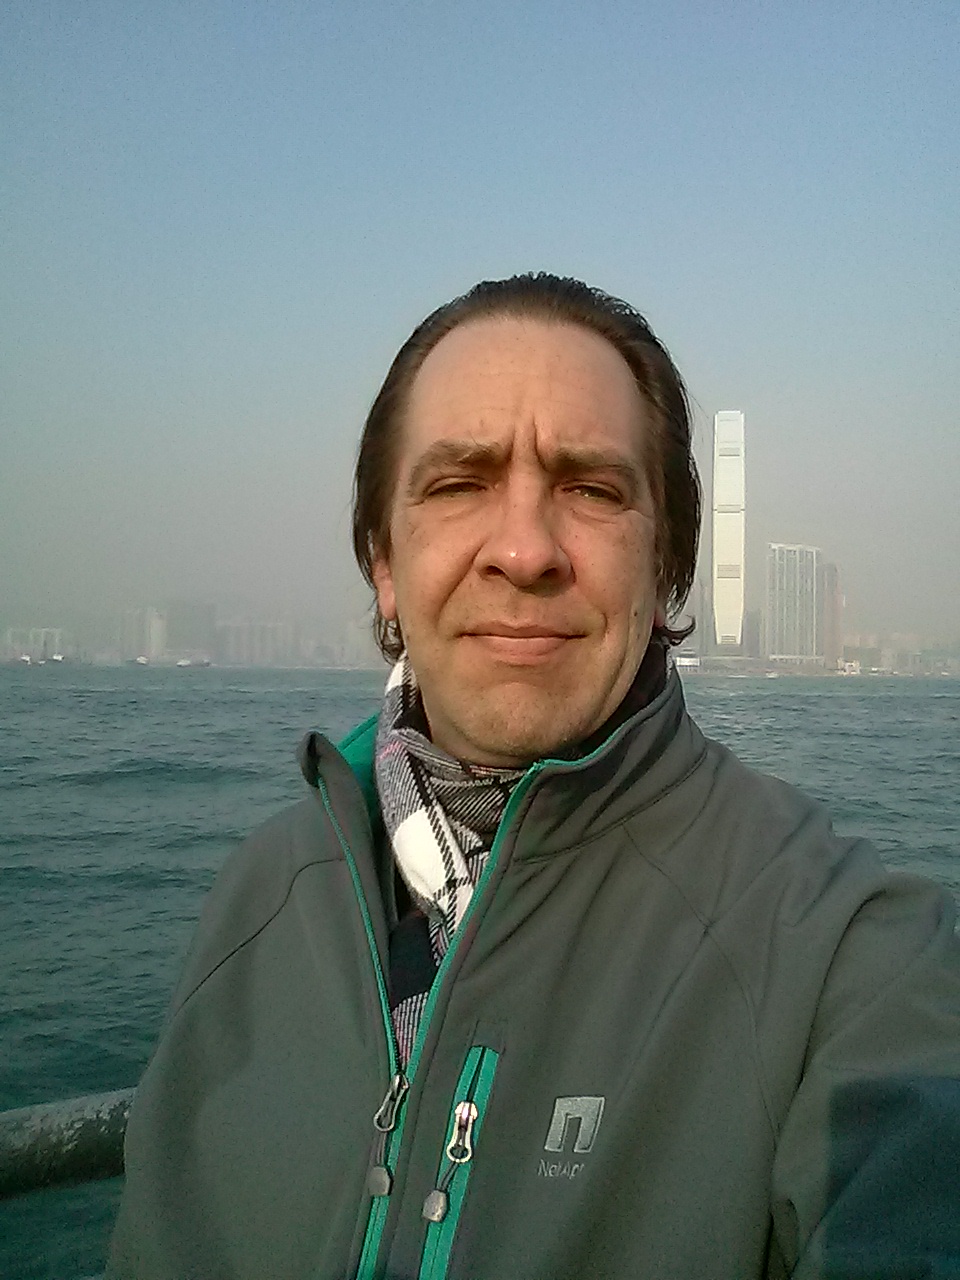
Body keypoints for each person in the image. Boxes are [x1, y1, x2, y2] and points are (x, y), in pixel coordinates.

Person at [107, 274, 960, 1280]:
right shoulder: (263, 894)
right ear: (384, 561)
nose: (523, 550)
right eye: (458, 483)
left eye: (592, 489)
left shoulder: (842, 950)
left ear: (666, 567)